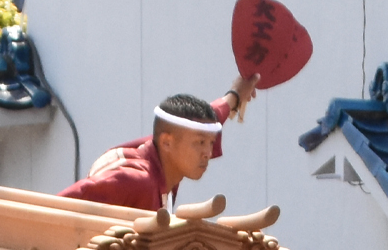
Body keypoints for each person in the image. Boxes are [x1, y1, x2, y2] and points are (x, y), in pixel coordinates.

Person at [62, 82, 256, 211]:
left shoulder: (167, 152)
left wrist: (235, 96)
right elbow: (54, 207)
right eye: (200, 143)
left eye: (211, 142)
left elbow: (214, 115)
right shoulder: (136, 180)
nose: (207, 153)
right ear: (166, 142)